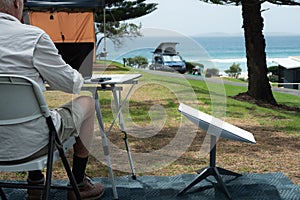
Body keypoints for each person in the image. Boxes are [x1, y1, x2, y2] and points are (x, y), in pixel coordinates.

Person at [0, 0, 104, 199]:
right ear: (16, 3)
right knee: (87, 103)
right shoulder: (33, 37)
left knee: (32, 111)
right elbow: (71, 84)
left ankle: (36, 184)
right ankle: (79, 185)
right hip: (33, 144)